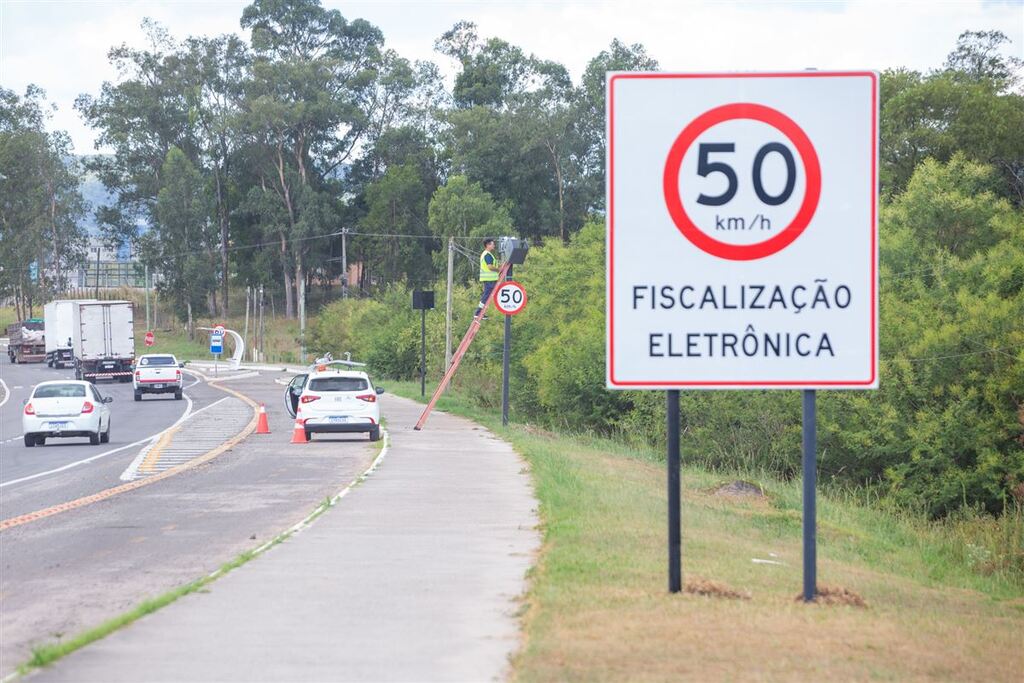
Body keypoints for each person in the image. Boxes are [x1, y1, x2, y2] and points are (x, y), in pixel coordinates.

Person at [477, 238, 501, 319]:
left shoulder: (487, 254)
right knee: (486, 296)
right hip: (489, 279)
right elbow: (490, 267)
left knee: (486, 296)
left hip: (488, 279)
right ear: (487, 245)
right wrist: (498, 270)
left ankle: (480, 312)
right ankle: (478, 312)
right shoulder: (487, 254)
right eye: (492, 244)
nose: (494, 245)